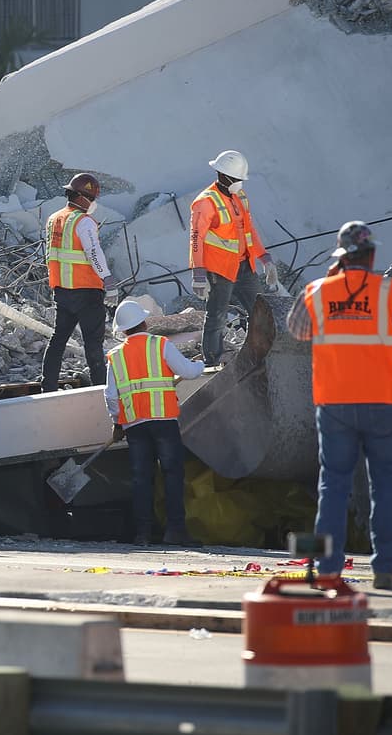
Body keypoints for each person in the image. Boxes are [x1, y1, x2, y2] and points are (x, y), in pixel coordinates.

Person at [286, 222, 392, 590]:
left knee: (333, 487)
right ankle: (384, 570)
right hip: (384, 402)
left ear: (340, 257)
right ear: (370, 256)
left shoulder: (318, 291)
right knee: (385, 486)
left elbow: (297, 329)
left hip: (336, 404)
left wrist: (326, 284)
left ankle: (327, 570)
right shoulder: (389, 292)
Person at [105, 298, 206, 547]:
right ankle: (175, 531)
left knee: (142, 478)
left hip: (134, 425)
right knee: (172, 475)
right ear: (145, 322)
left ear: (123, 329)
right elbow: (189, 372)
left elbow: (110, 396)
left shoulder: (115, 356)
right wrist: (202, 363)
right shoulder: (160, 344)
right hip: (163, 421)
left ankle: (143, 534)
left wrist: (117, 423)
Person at [189, 149, 278, 366]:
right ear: (224, 176)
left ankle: (260, 357)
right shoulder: (205, 202)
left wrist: (265, 258)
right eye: (237, 179)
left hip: (244, 266)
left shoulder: (240, 198)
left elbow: (250, 231)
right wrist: (199, 274)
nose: (240, 183)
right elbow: (195, 239)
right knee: (216, 318)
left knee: (260, 311)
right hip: (219, 270)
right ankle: (211, 363)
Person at [42, 172, 120, 392]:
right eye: (93, 199)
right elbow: (93, 252)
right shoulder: (83, 222)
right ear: (83, 197)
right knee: (93, 344)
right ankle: (100, 390)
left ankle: (47, 387)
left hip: (62, 290)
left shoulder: (54, 219)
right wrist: (108, 280)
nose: (94, 203)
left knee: (57, 340)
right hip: (86, 291)